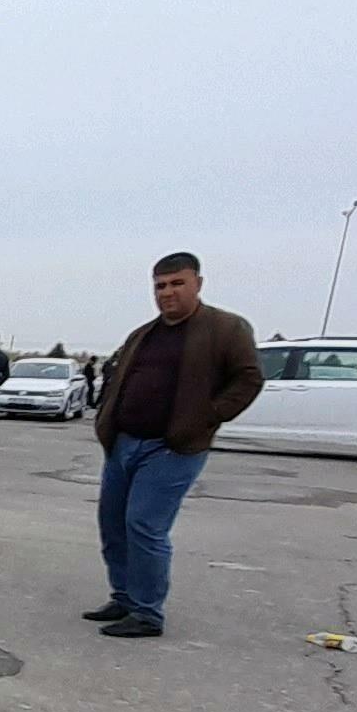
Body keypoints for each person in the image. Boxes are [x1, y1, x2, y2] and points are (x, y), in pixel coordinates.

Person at [84, 252, 262, 638]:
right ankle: (125, 596)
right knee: (113, 524)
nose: (167, 293)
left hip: (171, 448)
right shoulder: (144, 334)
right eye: (160, 285)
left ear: (198, 283)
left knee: (144, 525)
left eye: (177, 283)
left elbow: (248, 380)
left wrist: (207, 416)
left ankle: (147, 613)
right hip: (124, 443)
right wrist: (106, 422)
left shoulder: (225, 329)